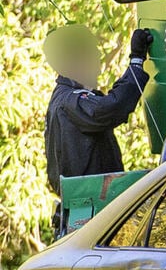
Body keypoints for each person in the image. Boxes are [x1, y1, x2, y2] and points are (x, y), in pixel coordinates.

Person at [42, 24, 153, 196]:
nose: (99, 55)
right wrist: (136, 60)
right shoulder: (71, 101)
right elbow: (111, 108)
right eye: (92, 50)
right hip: (91, 203)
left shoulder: (63, 96)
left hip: (87, 201)